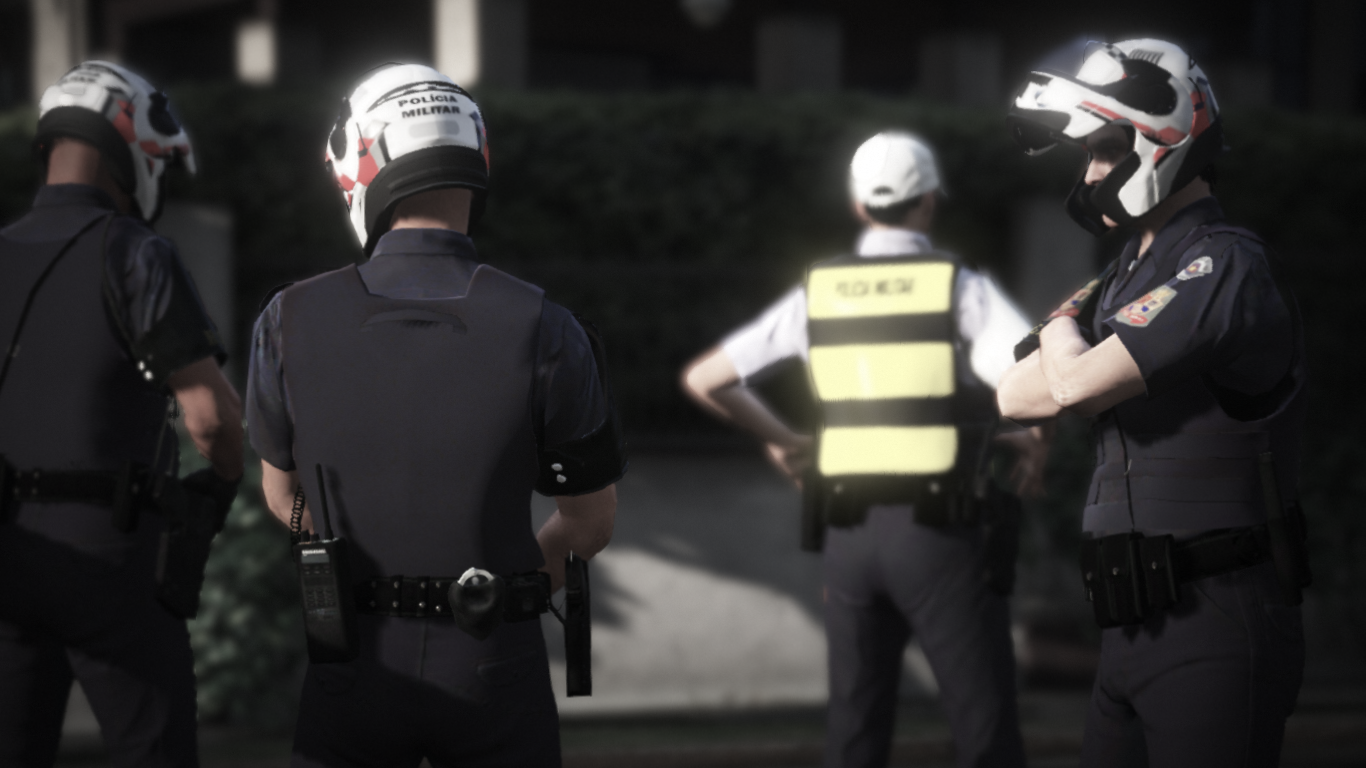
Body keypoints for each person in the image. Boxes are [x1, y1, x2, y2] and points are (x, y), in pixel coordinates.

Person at [246, 64, 625, 768]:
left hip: (352, 663)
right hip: (495, 661)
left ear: (359, 163)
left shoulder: (286, 318)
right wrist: (504, 592)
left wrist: (341, 562)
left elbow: (281, 494)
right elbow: (589, 524)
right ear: (476, 156)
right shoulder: (549, 326)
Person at [682, 131, 1048, 768]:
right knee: (984, 728)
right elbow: (1035, 380)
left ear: (858, 205)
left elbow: (705, 379)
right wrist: (1021, 436)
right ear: (929, 201)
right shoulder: (958, 287)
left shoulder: (818, 292)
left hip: (848, 538)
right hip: (940, 536)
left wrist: (785, 441)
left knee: (855, 734)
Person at [1001, 39, 1309, 767]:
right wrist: (1069, 339)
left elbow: (1071, 386)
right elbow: (1015, 396)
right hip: (1129, 631)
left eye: (1105, 151)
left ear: (1160, 140)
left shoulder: (1222, 263)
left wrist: (1059, 329)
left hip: (1212, 619)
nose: (1090, 174)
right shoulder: (1124, 277)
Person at [0, 61, 242, 767]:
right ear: (129, 147)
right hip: (111, 556)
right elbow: (210, 419)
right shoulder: (136, 252)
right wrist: (221, 483)